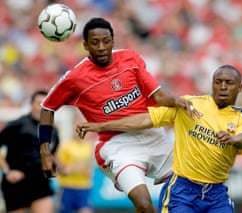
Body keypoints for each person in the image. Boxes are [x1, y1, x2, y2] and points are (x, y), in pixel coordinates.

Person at [38, 17, 197, 213]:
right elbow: (47, 108)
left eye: (106, 41)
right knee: (145, 206)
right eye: (95, 42)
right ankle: (121, 175)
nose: (102, 47)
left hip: (152, 135)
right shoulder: (74, 78)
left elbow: (158, 96)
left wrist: (176, 100)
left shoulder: (130, 59)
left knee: (194, 188)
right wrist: (45, 151)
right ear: (85, 45)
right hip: (118, 146)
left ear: (113, 41)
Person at [76, 65, 242, 213]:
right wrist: (101, 125)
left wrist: (233, 139)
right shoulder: (190, 105)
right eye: (218, 82)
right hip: (183, 191)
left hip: (216, 193)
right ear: (212, 84)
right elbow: (146, 119)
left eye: (229, 83)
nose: (223, 87)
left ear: (240, 87)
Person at [0, 90, 60, 213]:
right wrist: (7, 171)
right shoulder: (17, 125)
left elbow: (53, 155)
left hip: (40, 182)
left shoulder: (52, 130)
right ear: (31, 105)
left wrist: (61, 168)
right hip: (16, 183)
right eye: (39, 103)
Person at [55, 135, 94, 213]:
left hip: (84, 187)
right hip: (67, 187)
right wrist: (78, 168)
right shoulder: (66, 147)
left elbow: (89, 171)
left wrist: (73, 168)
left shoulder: (89, 147)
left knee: (86, 209)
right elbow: (63, 170)